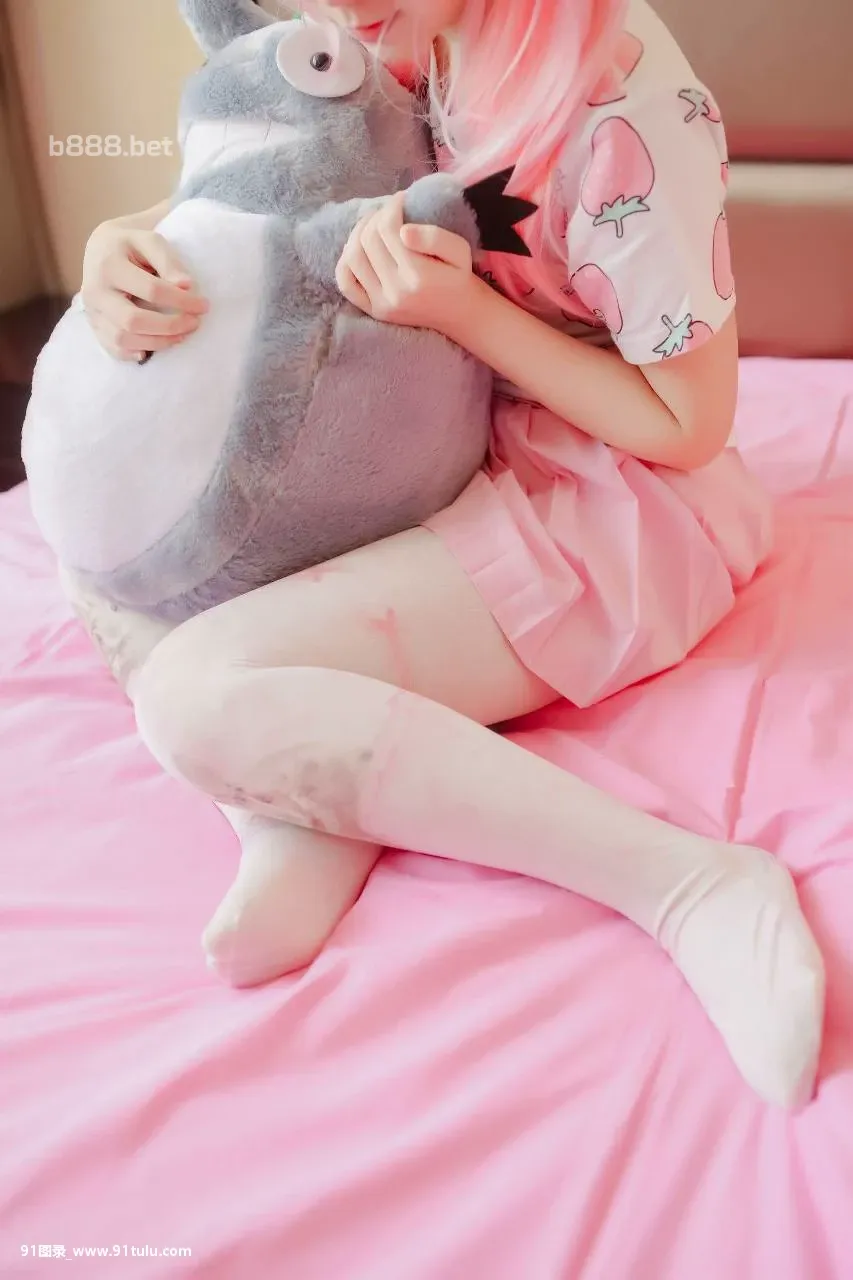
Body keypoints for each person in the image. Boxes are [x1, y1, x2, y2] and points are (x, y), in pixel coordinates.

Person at [70, 0, 824, 1108]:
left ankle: (689, 885)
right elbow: (282, 185)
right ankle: (296, 808)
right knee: (110, 547)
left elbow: (687, 425)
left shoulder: (623, 107)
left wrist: (464, 312)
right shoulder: (394, 29)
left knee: (191, 698)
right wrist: (121, 243)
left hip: (600, 497)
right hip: (423, 441)